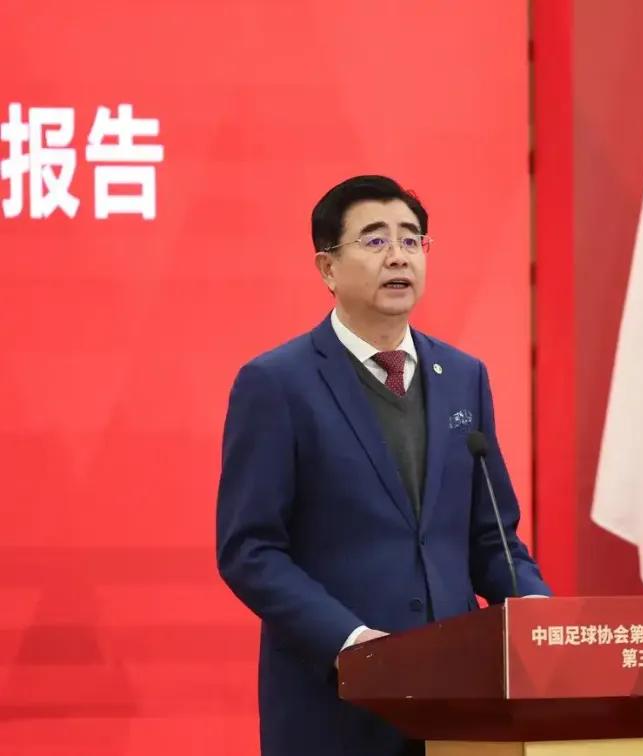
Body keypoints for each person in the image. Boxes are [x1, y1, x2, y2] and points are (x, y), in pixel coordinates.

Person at [215, 175, 550, 756]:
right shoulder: (277, 384)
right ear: (327, 268)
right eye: (374, 240)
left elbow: (491, 537)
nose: (398, 256)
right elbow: (251, 550)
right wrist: (351, 641)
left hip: (460, 706)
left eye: (411, 239)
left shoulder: (464, 376)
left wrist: (538, 617)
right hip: (336, 705)